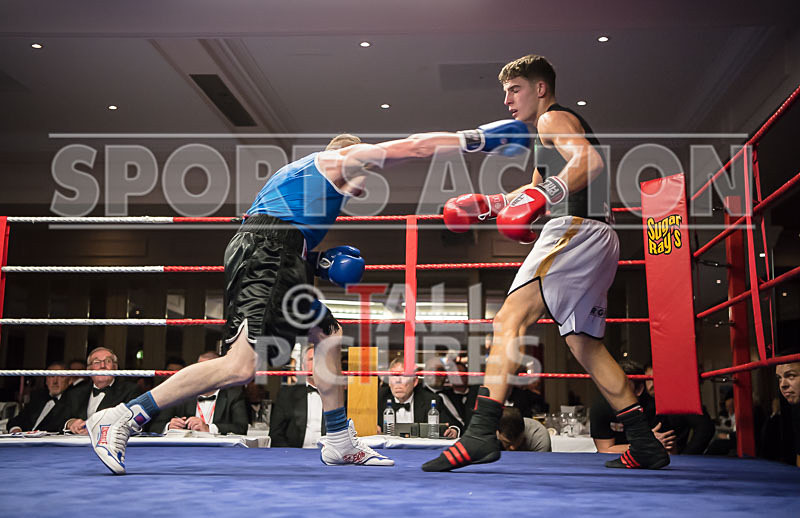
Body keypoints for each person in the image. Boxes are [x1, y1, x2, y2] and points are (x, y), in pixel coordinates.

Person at [85, 129, 481, 474]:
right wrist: (474, 140)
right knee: (240, 366)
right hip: (268, 253)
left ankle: (339, 440)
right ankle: (122, 417)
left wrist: (315, 263)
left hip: (280, 254)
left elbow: (287, 232)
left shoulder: (302, 186)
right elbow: (413, 147)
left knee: (328, 333)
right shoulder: (336, 159)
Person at [423, 54, 669, 471]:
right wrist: (492, 203)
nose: (507, 100)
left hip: (576, 231)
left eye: (514, 89)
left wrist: (540, 197)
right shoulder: (548, 136)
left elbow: (587, 162)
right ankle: (645, 443)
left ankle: (481, 434)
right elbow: (538, 187)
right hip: (600, 237)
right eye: (504, 92)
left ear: (540, 88)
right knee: (585, 345)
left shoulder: (553, 120)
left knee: (508, 321)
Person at [147, 352, 248, 436]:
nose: (200, 373)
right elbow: (155, 426)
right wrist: (169, 426)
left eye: (205, 369)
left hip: (220, 452)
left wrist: (208, 428)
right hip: (185, 452)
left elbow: (241, 428)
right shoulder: (181, 394)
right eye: (198, 368)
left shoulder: (233, 395)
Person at [590, 360, 675, 454]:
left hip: (648, 460)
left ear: (639, 389)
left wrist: (649, 445)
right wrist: (645, 444)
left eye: (624, 388)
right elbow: (605, 449)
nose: (615, 393)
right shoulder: (601, 406)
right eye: (613, 386)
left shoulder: (654, 408)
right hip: (612, 460)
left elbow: (670, 450)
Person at [62, 347, 141, 435]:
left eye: (108, 361)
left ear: (115, 367)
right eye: (96, 362)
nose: (102, 365)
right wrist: (70, 423)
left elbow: (135, 423)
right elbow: (59, 420)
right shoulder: (75, 393)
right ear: (89, 369)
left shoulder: (130, 390)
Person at [378, 357, 460, 438]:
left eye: (404, 376)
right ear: (389, 381)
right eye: (394, 376)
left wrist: (453, 431)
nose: (398, 381)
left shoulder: (430, 399)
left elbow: (452, 425)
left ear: (415, 381)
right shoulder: (378, 398)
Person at [643, 365, 714, 455]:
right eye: (649, 379)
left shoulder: (679, 400)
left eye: (656, 378)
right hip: (644, 457)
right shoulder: (641, 402)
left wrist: (686, 456)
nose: (652, 384)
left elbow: (705, 427)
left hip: (674, 458)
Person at [269, 346, 327, 447]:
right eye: (311, 359)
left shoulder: (338, 396)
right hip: (295, 457)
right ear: (303, 366)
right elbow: (276, 434)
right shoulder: (287, 395)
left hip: (329, 457)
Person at [7, 361, 71, 433]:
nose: (55, 381)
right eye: (51, 376)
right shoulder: (38, 398)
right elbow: (17, 420)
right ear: (46, 380)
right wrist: (16, 430)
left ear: (69, 380)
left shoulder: (71, 403)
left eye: (61, 376)